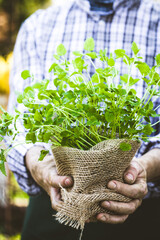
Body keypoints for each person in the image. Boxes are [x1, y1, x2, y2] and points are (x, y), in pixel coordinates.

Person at [6, 0, 160, 239]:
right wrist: (39, 165)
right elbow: (20, 120)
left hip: (143, 215)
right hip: (52, 208)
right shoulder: (37, 26)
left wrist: (145, 168)